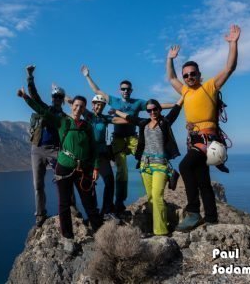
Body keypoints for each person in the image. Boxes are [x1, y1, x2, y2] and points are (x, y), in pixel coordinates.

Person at [166, 25, 240, 231]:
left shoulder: (209, 86)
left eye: (192, 74)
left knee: (184, 167)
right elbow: (171, 78)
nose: (189, 78)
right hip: (195, 140)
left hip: (209, 140)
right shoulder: (185, 91)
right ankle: (212, 218)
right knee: (203, 180)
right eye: (186, 75)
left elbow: (229, 68)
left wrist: (233, 44)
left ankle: (193, 211)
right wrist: (170, 59)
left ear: (199, 74)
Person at [81, 66, 173, 215]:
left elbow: (157, 106)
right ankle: (119, 202)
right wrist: (87, 76)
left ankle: (157, 186)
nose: (125, 91)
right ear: (119, 90)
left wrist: (177, 104)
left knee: (147, 159)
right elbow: (97, 92)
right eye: (123, 89)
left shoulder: (138, 103)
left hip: (133, 139)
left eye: (128, 89)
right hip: (118, 140)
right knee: (122, 171)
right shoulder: (114, 101)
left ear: (131, 90)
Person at [18, 87, 103, 242]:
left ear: (84, 109)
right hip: (64, 167)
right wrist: (25, 97)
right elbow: (41, 110)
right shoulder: (62, 121)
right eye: (76, 106)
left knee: (89, 204)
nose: (78, 109)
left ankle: (101, 235)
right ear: (71, 106)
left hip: (83, 169)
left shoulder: (87, 127)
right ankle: (68, 238)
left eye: (82, 107)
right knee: (63, 204)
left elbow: (94, 149)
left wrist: (95, 167)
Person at [114, 97, 183, 236]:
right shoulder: (143, 123)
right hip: (145, 165)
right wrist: (115, 111)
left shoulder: (165, 122)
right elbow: (129, 117)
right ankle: (158, 225)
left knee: (157, 196)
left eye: (155, 109)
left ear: (159, 109)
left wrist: (184, 94)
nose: (152, 112)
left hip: (161, 166)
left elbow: (176, 109)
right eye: (149, 110)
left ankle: (161, 231)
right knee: (151, 198)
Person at [25, 65, 80, 227]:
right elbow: (34, 96)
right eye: (54, 97)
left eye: (59, 97)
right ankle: (40, 214)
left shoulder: (64, 117)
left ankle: (71, 207)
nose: (56, 99)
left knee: (65, 178)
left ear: (62, 100)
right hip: (37, 150)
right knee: (38, 185)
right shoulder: (44, 109)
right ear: (52, 98)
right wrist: (30, 76)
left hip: (55, 150)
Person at [66, 94, 127, 217]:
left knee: (109, 180)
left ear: (104, 106)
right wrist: (61, 93)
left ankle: (107, 210)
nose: (99, 106)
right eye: (97, 104)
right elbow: (72, 102)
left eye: (101, 104)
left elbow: (125, 120)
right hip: (89, 156)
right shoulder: (88, 115)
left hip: (102, 155)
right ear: (93, 105)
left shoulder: (105, 118)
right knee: (89, 184)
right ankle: (93, 213)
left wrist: (116, 112)